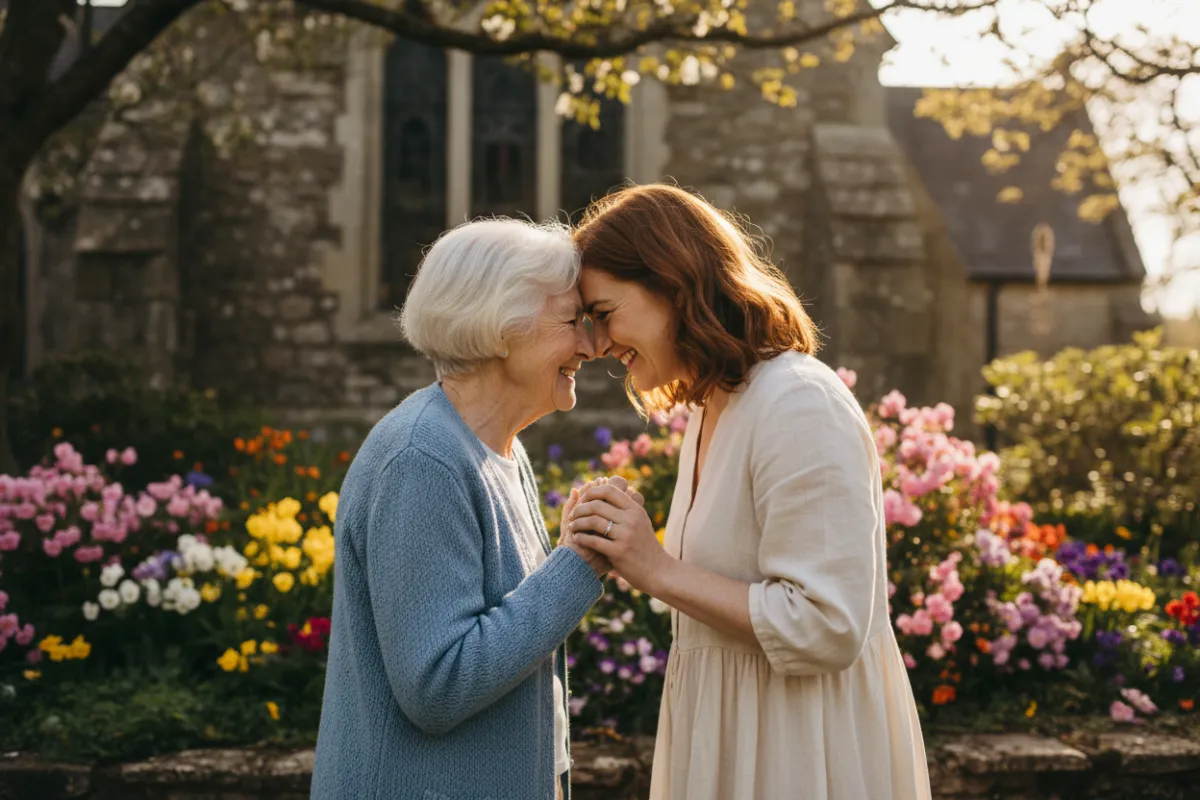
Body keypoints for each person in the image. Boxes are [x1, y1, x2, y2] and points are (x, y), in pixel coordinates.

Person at [565, 185, 932, 799]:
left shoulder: (797, 401)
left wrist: (653, 567)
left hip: (802, 753)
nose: (598, 344)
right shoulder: (716, 407)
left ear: (671, 282)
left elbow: (827, 624)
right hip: (732, 742)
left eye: (604, 314)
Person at [311, 218, 636, 800]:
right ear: (500, 330)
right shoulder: (422, 460)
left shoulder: (500, 451)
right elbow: (437, 685)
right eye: (572, 323)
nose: (592, 346)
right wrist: (576, 565)